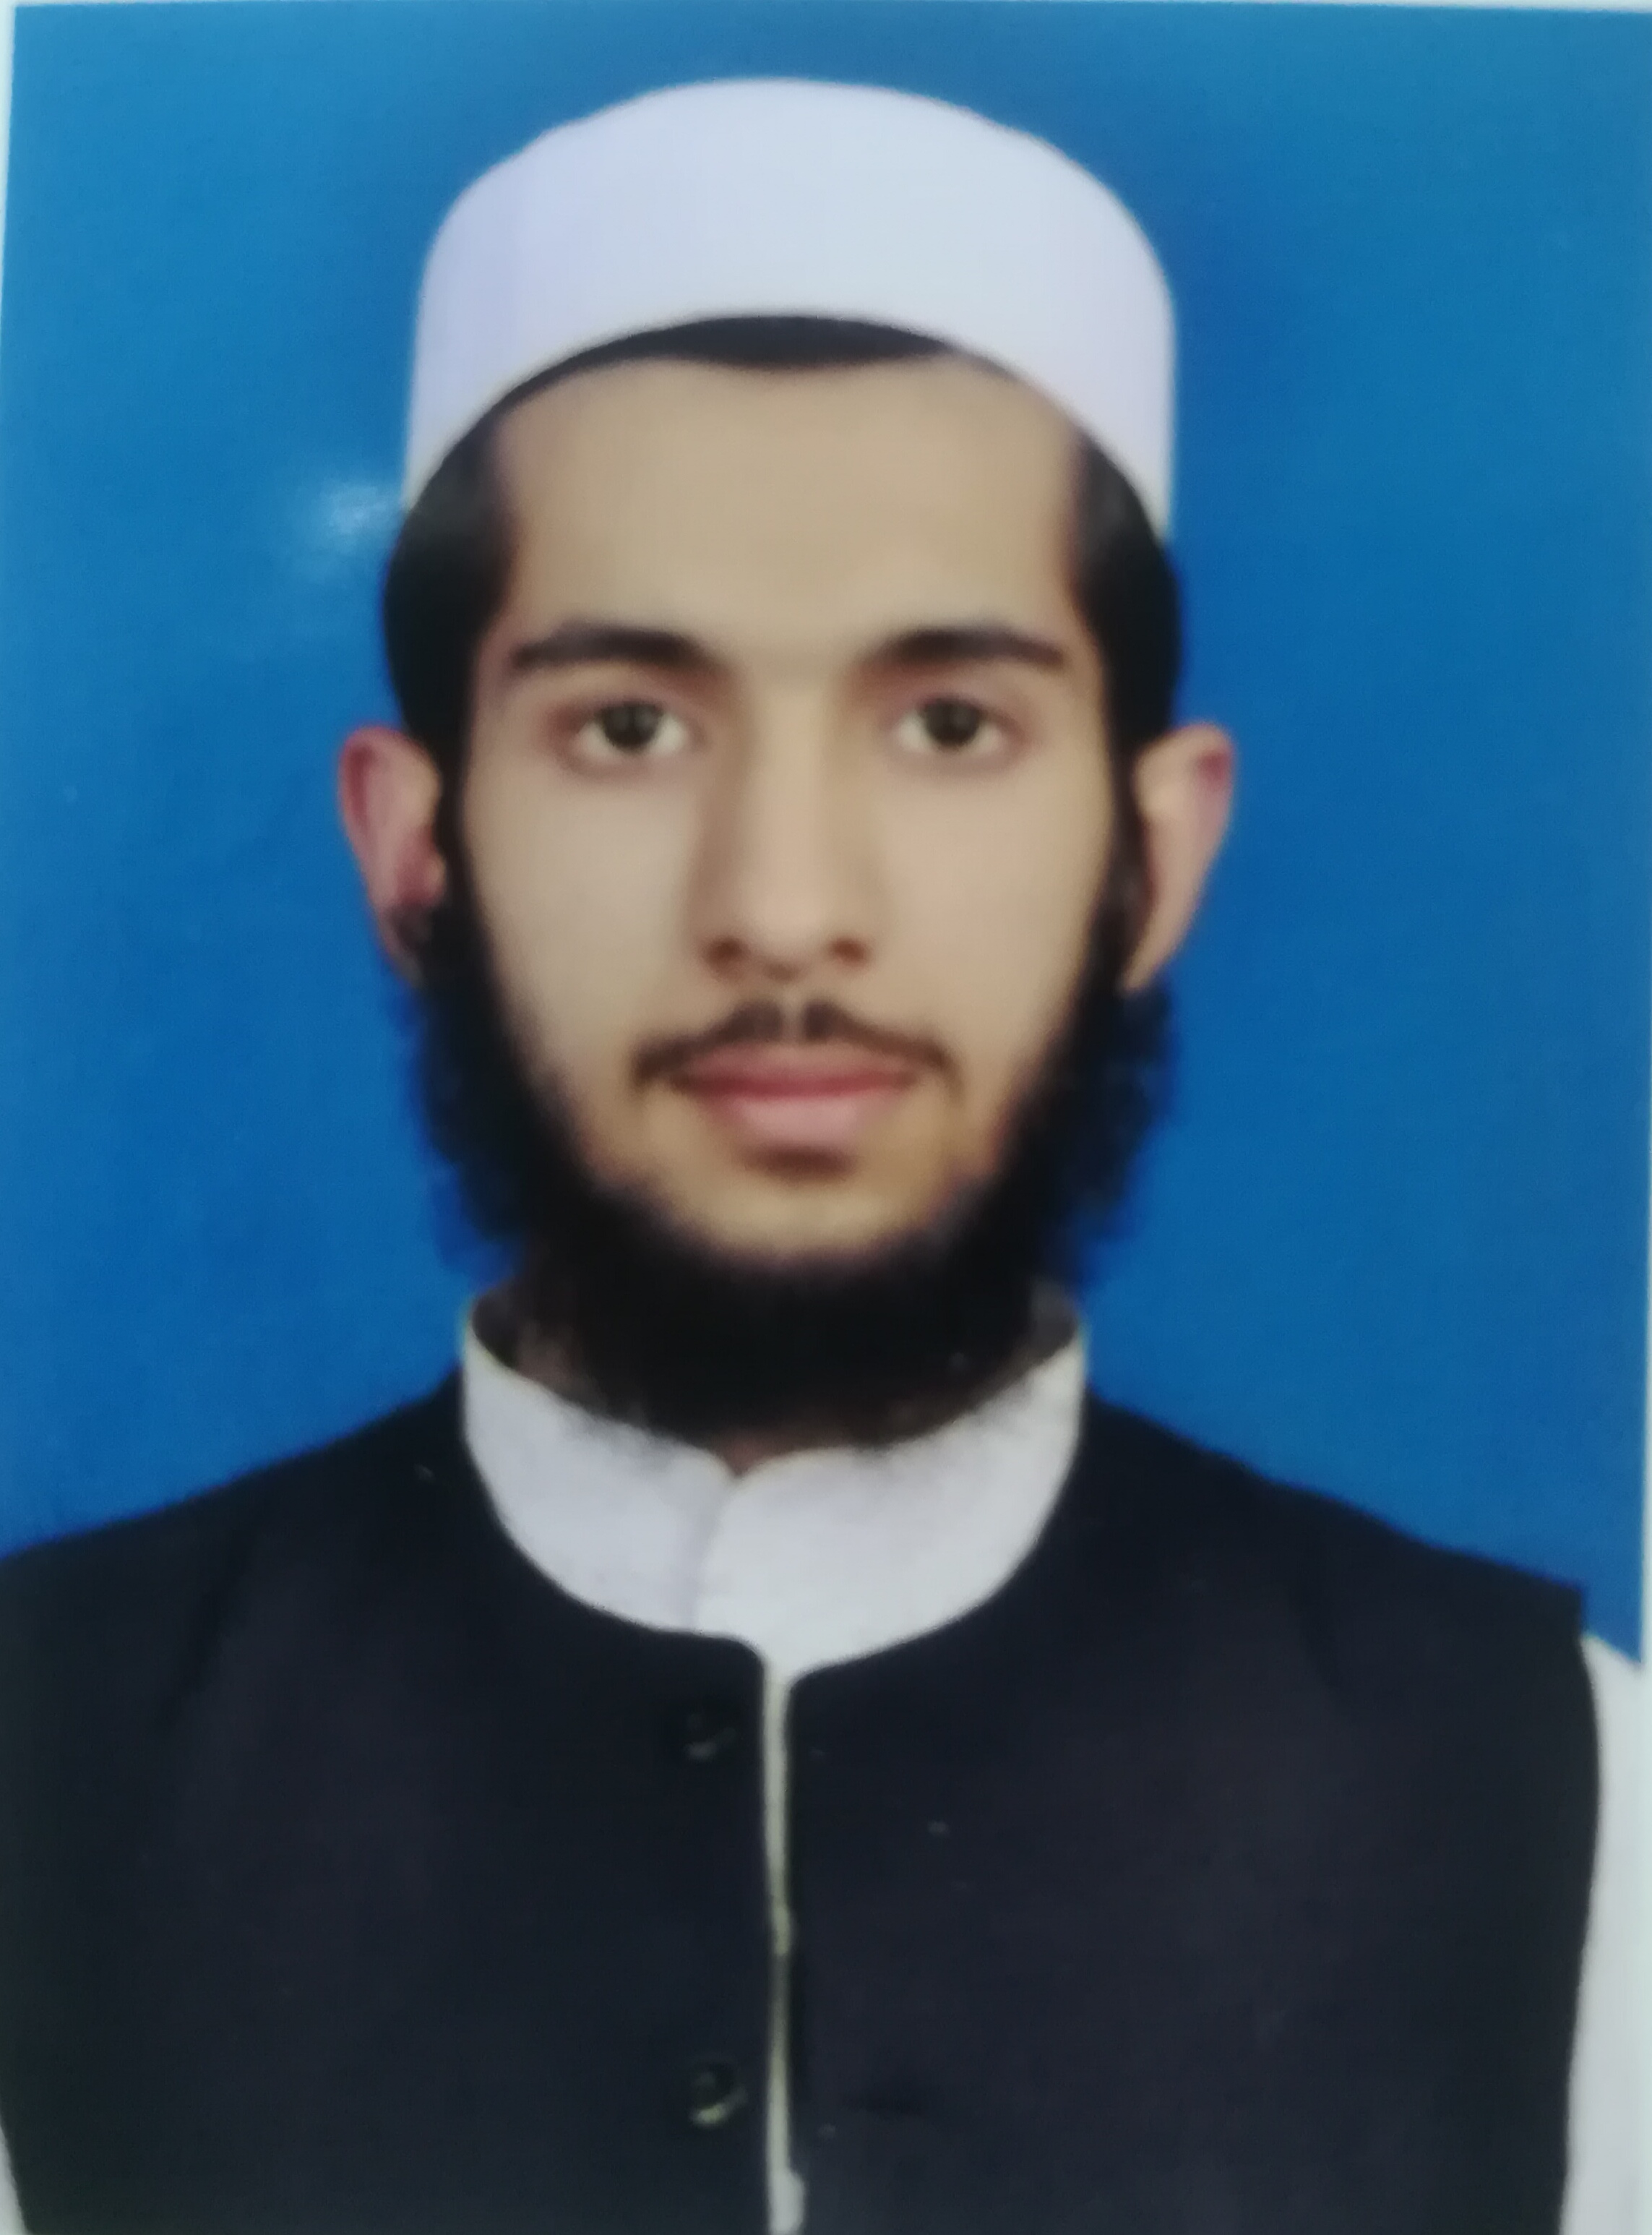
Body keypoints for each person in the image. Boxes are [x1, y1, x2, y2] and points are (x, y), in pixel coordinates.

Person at [0, 77, 1636, 2235]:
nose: (782, 908)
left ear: (1152, 856)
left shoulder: (1574, 1793)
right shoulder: (38, 1750)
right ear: (414, 848)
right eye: (630, 726)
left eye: (950, 724)